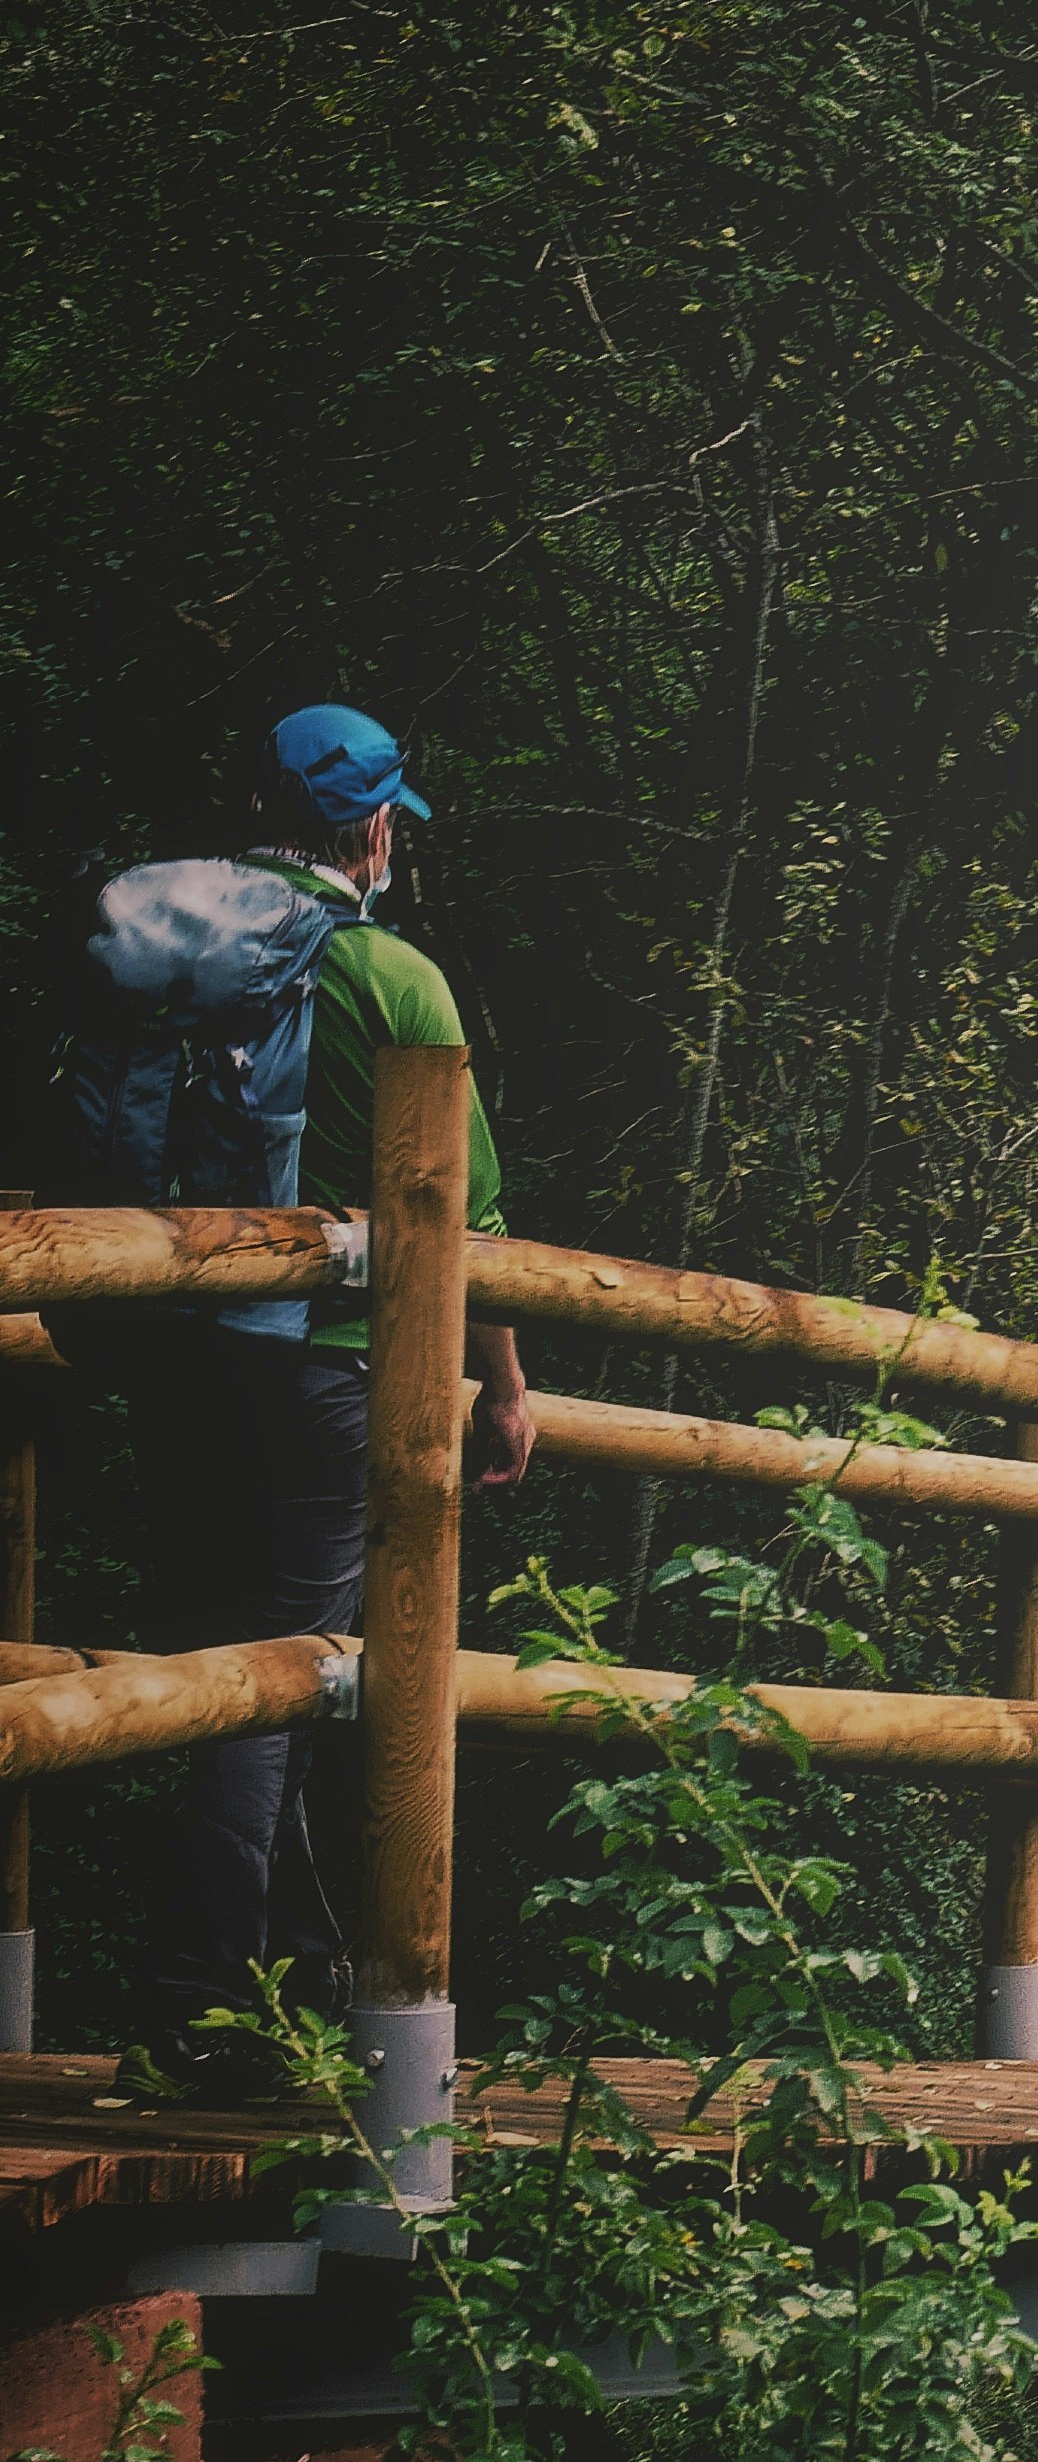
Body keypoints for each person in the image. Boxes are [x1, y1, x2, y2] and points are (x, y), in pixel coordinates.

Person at [49, 705, 530, 2081]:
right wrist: (501, 1383)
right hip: (325, 1373)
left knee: (217, 1669)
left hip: (176, 1356)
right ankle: (213, 2008)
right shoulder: (395, 983)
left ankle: (275, 1982)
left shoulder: (172, 963)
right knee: (287, 1683)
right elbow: (465, 1224)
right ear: (370, 826)